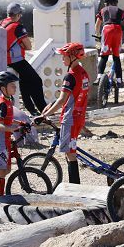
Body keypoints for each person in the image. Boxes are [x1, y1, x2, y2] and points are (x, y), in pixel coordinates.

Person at [40, 43, 90, 185]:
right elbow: (72, 95)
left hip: (70, 118)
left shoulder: (70, 76)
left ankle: (74, 186)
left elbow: (62, 100)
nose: (62, 59)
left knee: (70, 154)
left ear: (72, 57)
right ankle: (75, 185)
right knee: (71, 152)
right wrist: (52, 105)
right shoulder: (83, 73)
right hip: (79, 117)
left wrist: (45, 115)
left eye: (64, 56)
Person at [0, 2, 47, 116]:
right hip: (15, 60)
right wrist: (21, 45)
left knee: (25, 81)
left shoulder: (1, 23)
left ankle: (31, 109)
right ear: (19, 15)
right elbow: (29, 46)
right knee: (36, 81)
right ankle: (43, 109)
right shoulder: (17, 27)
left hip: (2, 59)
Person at [0, 69, 20, 197]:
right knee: (2, 170)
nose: (15, 87)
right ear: (3, 88)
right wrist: (13, 129)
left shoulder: (9, 100)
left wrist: (20, 123)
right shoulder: (2, 103)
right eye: (12, 85)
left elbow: (8, 120)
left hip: (5, 138)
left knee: (7, 169)